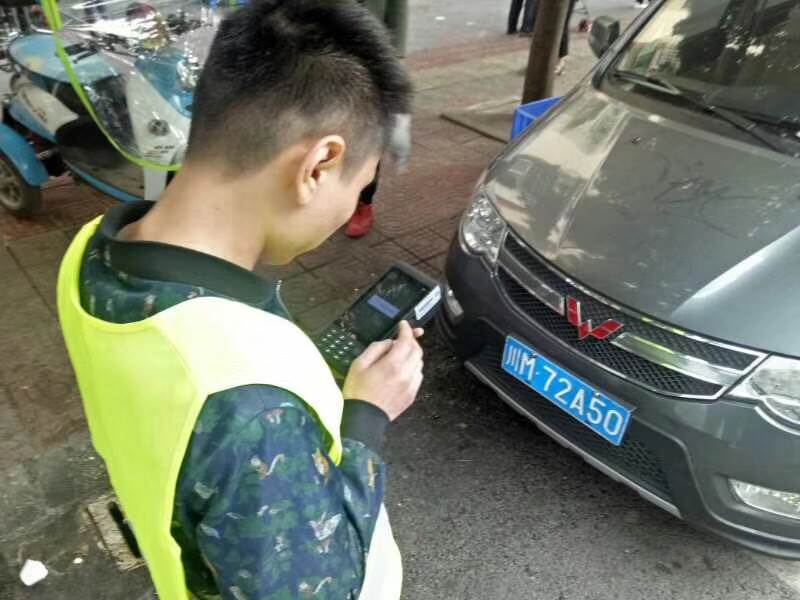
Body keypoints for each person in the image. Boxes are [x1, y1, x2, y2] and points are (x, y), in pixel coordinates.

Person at [57, 2, 419, 599]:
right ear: (320, 164)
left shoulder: (89, 254)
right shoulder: (251, 406)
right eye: (361, 186)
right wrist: (366, 417)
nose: (354, 210)